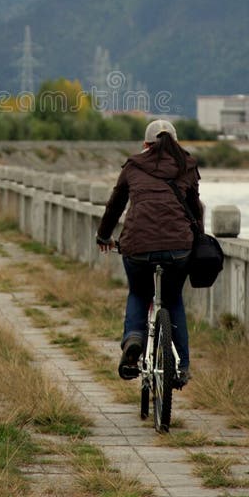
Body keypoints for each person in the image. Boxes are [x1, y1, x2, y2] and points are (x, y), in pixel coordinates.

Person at [95, 118, 204, 384]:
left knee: (139, 293)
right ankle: (183, 367)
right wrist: (197, 238)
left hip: (138, 248)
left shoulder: (133, 166)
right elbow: (195, 209)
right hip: (178, 250)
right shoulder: (187, 165)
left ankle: (133, 339)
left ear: (145, 144)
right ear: (176, 143)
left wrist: (103, 235)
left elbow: (115, 205)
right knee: (173, 299)